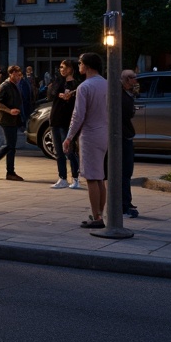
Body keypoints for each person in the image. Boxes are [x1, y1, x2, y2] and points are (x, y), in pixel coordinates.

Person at [64, 52, 109, 229]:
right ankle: (99, 213)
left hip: (90, 134)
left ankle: (97, 217)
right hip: (104, 132)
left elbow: (78, 115)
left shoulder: (85, 86)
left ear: (88, 66)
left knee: (92, 177)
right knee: (100, 177)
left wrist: (69, 137)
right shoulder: (106, 84)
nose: (79, 66)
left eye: (80, 63)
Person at [0, 65, 24, 181]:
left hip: (13, 120)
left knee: (11, 147)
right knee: (9, 145)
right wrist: (9, 110)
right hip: (6, 120)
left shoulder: (14, 86)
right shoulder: (5, 86)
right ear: (11, 74)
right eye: (17, 75)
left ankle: (10, 172)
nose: (19, 77)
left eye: (20, 75)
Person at [48, 59, 80, 190]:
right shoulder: (58, 82)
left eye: (64, 67)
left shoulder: (77, 84)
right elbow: (50, 94)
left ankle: (75, 178)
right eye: (61, 67)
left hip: (67, 121)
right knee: (59, 152)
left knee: (70, 151)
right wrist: (59, 94)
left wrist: (70, 95)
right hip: (55, 120)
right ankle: (62, 178)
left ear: (71, 68)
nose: (62, 70)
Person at [121, 68, 139, 218]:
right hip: (122, 135)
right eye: (134, 78)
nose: (136, 81)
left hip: (126, 134)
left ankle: (127, 202)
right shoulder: (120, 95)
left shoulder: (128, 94)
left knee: (127, 171)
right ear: (127, 80)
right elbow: (127, 113)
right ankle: (124, 204)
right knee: (124, 171)